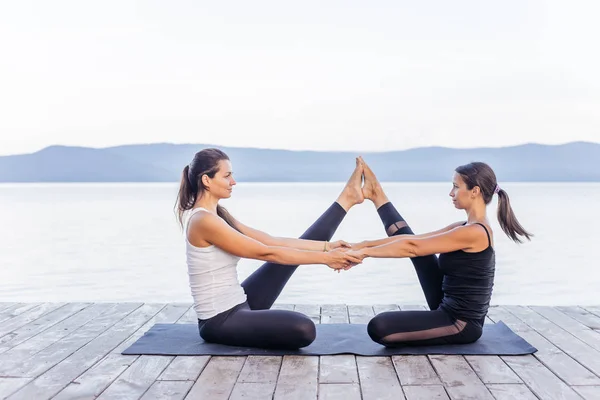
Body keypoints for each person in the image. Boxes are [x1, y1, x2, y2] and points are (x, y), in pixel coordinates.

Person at [174, 148, 363, 349]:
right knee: (304, 329)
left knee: (288, 257)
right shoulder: (203, 220)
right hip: (219, 320)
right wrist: (327, 259)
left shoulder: (218, 214)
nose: (233, 182)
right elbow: (265, 252)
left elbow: (271, 241)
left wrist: (327, 247)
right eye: (227, 176)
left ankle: (347, 199)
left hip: (240, 301)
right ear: (206, 180)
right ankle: (347, 199)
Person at [347, 157, 532, 347]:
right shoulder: (463, 226)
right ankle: (376, 193)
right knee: (419, 248)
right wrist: (361, 245)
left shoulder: (474, 232)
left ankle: (376, 193)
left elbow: (412, 246)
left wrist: (364, 254)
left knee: (379, 326)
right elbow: (415, 241)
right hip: (445, 303)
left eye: (456, 187)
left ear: (474, 191)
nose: (451, 193)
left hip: (461, 323)